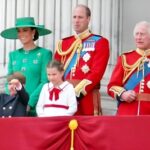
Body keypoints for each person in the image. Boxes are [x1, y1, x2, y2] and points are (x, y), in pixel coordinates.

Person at [54, 4, 110, 115]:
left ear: (88, 19)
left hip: (86, 97)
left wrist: (77, 92)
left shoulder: (100, 42)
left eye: (80, 17)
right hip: (64, 96)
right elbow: (55, 69)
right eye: (74, 17)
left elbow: (97, 73)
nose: (76, 21)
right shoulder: (63, 43)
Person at [0, 17, 52, 116]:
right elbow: (9, 81)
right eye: (19, 31)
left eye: (25, 30)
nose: (21, 34)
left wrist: (29, 102)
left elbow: (45, 81)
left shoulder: (45, 54)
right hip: (15, 108)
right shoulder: (13, 55)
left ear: (33, 32)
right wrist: (10, 96)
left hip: (36, 108)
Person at [107, 21, 150, 115]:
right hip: (127, 112)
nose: (138, 37)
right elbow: (111, 87)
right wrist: (123, 94)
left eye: (142, 34)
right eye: (136, 34)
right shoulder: (125, 58)